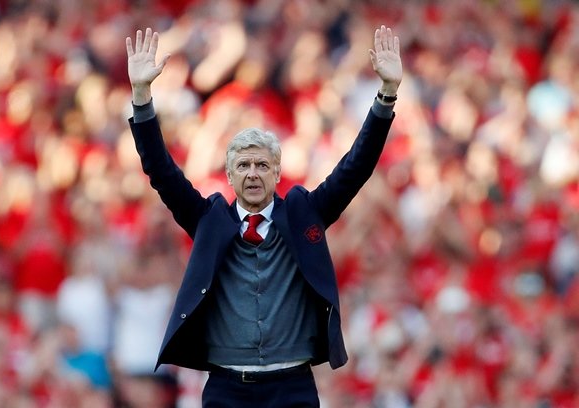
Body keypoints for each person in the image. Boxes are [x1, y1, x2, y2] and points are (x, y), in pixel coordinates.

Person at [126, 24, 402, 407]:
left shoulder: (305, 213)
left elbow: (355, 167)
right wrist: (141, 97)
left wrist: (386, 95)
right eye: (243, 166)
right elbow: (160, 170)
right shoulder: (210, 220)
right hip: (226, 387)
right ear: (229, 175)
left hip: (292, 386)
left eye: (261, 165)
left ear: (276, 172)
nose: (252, 173)